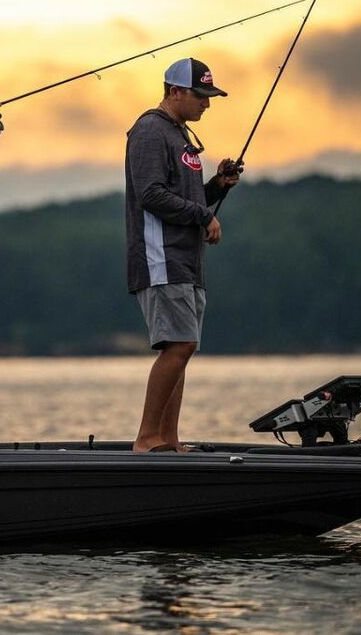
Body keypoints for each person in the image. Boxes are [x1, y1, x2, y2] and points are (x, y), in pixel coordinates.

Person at [124, 57, 240, 453]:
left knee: (183, 346)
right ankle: (147, 439)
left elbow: (186, 198)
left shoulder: (180, 135)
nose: (206, 103)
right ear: (175, 92)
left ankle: (168, 440)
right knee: (179, 346)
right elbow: (151, 194)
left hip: (187, 261)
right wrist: (202, 214)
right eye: (200, 95)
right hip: (160, 259)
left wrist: (216, 187)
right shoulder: (150, 131)